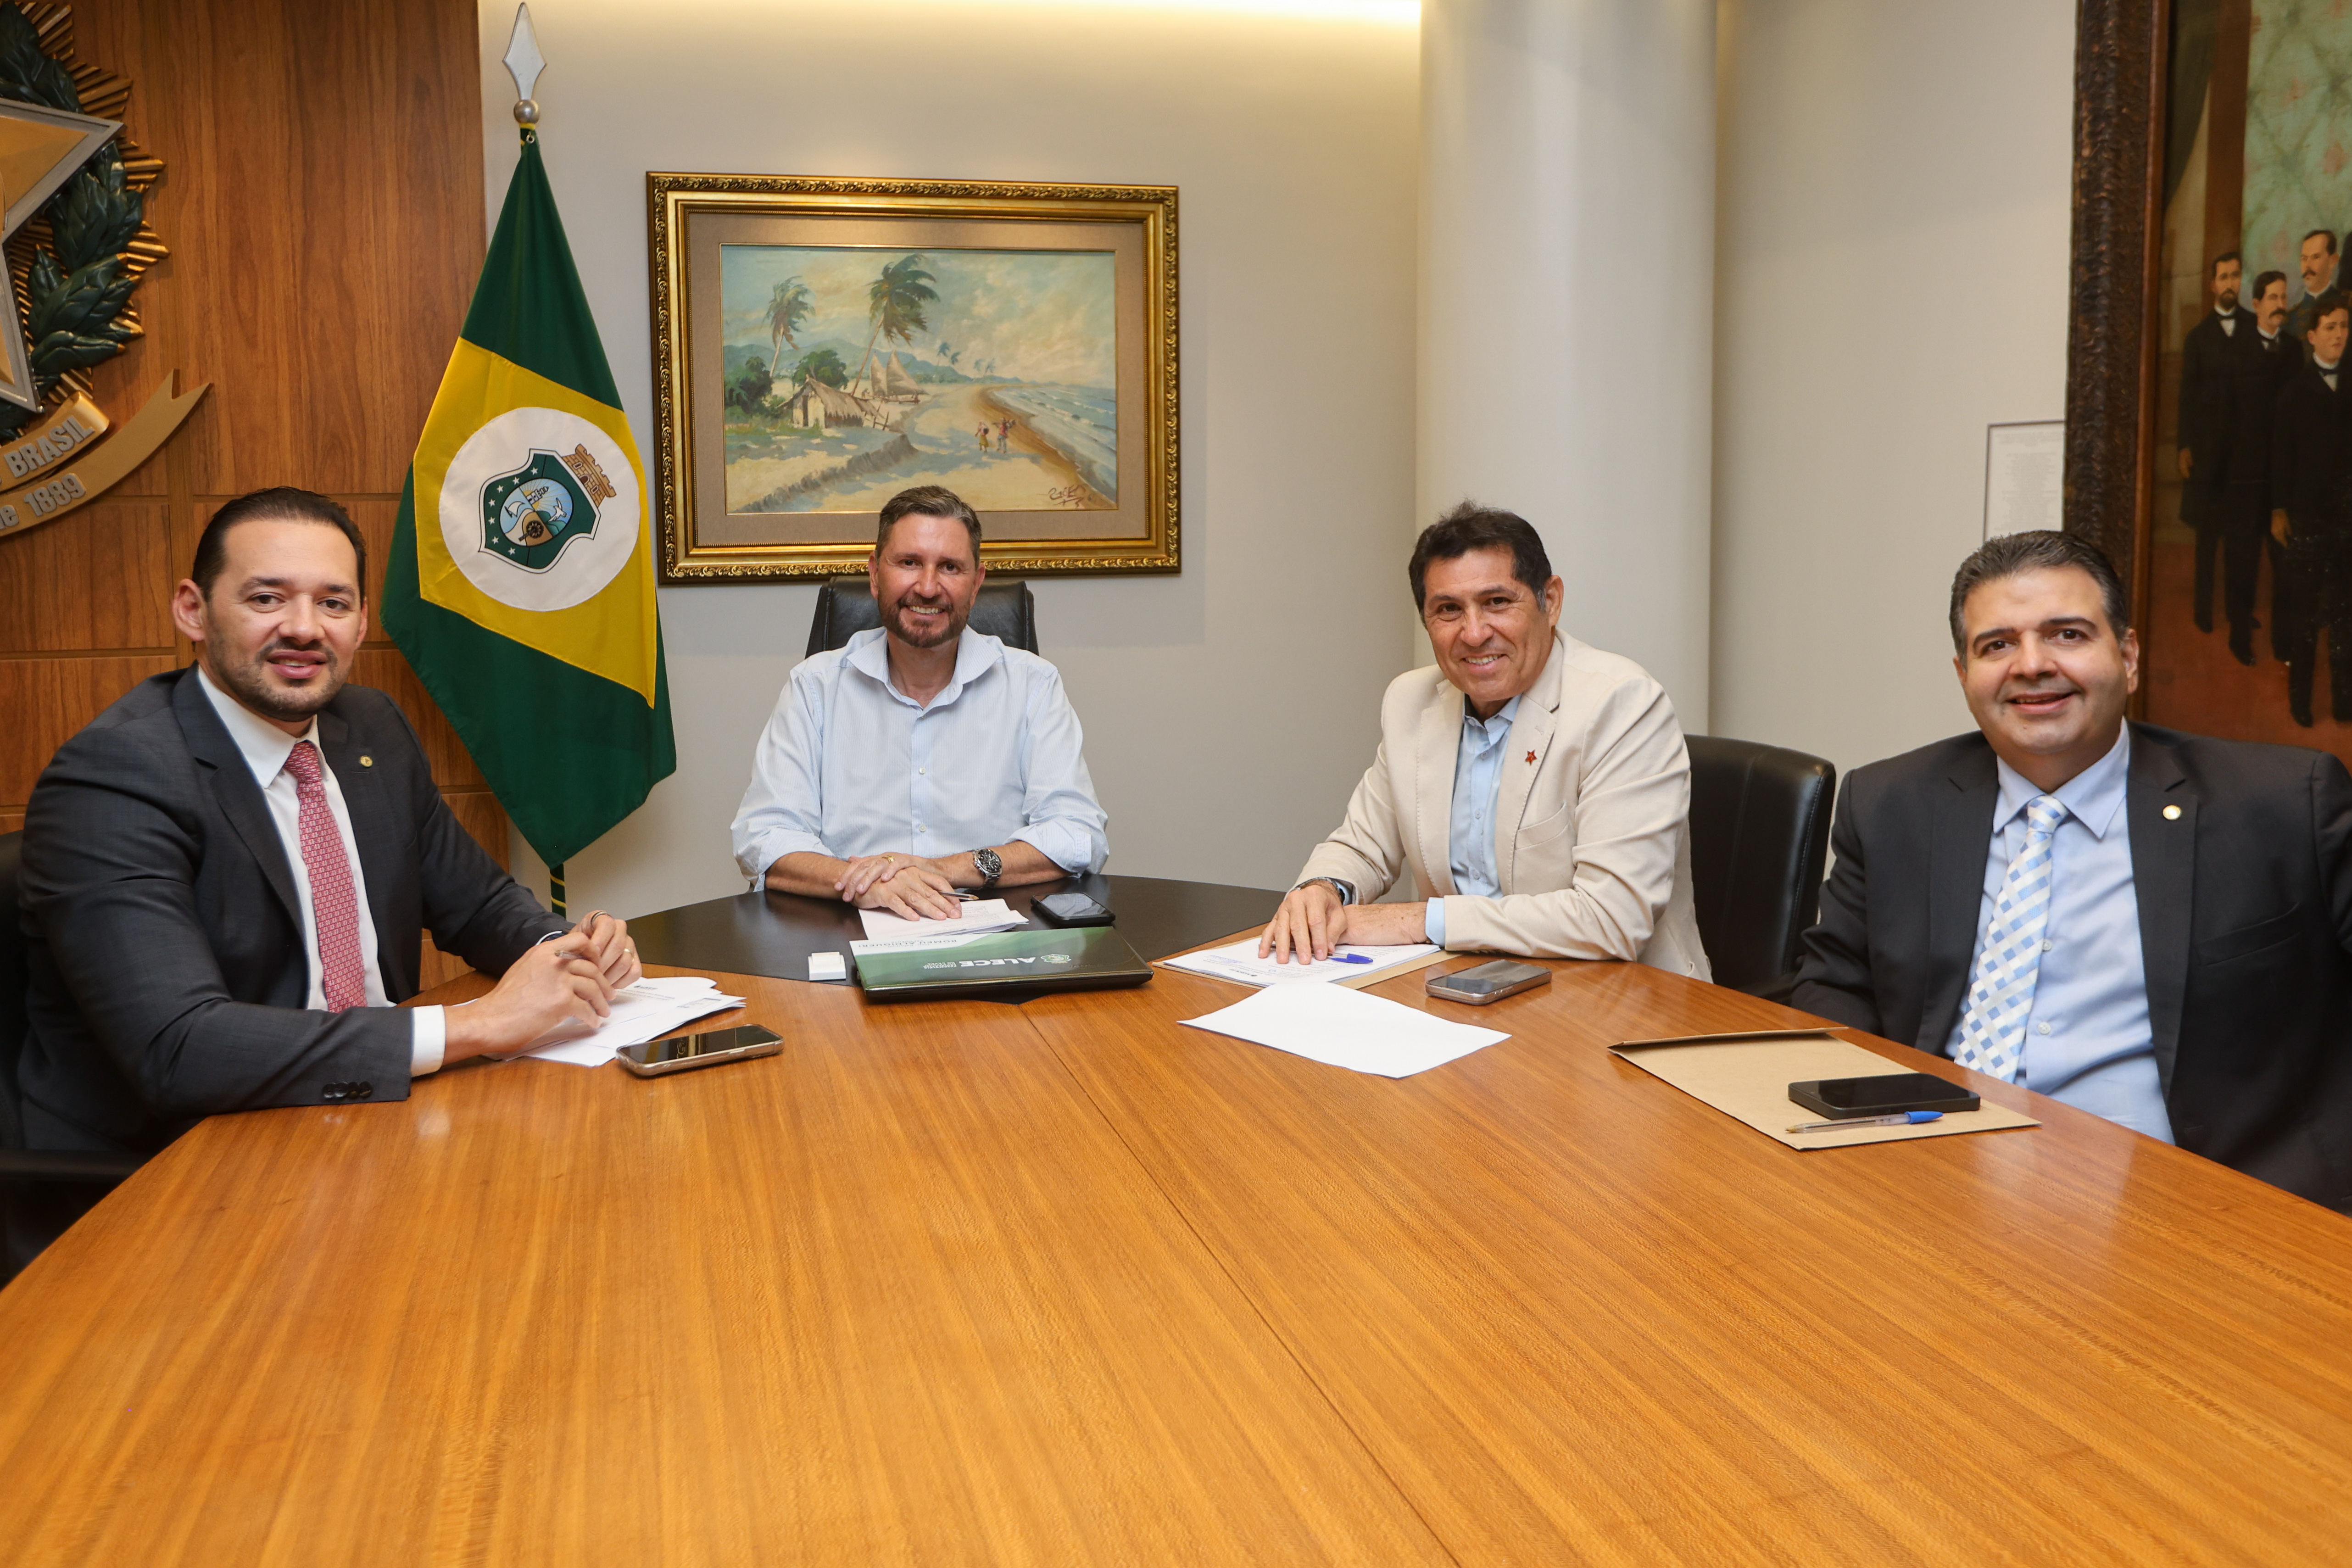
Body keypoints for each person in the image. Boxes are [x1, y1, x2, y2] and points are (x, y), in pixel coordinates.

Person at [12, 489, 635, 1266]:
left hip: (368, 1132)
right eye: (267, 598)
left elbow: (474, 901)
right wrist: (477, 1025)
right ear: (193, 609)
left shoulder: (367, 726)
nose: (304, 628)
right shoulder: (118, 775)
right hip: (174, 1179)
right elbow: (180, 1048)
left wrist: (570, 951)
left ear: (361, 622)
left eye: (332, 602)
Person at [1791, 530, 2352, 1211]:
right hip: (1930, 1181)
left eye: (2066, 634)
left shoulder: (2281, 803)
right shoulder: (1889, 802)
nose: (2031, 665)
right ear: (1962, 674)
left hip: (2190, 1201)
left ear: (2127, 655)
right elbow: (1834, 986)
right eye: (1995, 645)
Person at [1259, 502, 1709, 975]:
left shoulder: (1621, 704)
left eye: (1496, 602)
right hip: (1464, 992)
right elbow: (1361, 845)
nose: (1473, 634)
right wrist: (1321, 892)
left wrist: (1419, 918)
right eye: (1448, 610)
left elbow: (1612, 919)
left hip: (1617, 999)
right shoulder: (1410, 701)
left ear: (1549, 601)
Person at [731, 484, 1108, 920]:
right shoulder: (814, 688)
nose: (928, 587)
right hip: (849, 924)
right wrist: (873, 882)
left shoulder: (1033, 686)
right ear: (875, 574)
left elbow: (1078, 833)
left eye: (950, 567)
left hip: (996, 931)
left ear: (976, 583)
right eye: (909, 563)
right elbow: (764, 836)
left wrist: (944, 869)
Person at [2269, 291, 2352, 724]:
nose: (2340, 334)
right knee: (2304, 615)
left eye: (2344, 326)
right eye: (2332, 327)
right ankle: (2301, 703)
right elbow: (2281, 457)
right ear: (2313, 335)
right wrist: (2279, 510)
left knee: (2346, 616)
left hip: (2349, 522)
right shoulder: (2294, 393)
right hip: (2306, 518)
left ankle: (2345, 701)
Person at [2218, 269, 2300, 665]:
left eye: (2284, 298)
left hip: (2282, 479)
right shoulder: (2237, 352)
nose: (2280, 305)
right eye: (2273, 298)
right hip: (2244, 478)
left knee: (2284, 564)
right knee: (2243, 562)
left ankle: (2284, 644)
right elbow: (2225, 418)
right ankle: (2239, 635)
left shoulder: (2295, 350)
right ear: (2256, 305)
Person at [2176, 252, 2250, 635]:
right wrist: (2184, 447)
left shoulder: (2255, 331)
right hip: (2207, 455)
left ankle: (2241, 610)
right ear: (2212, 285)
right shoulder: (2198, 338)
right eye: (2223, 277)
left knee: (2242, 540)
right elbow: (2187, 397)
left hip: (2245, 456)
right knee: (2207, 540)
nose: (2229, 283)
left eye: (2235, 276)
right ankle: (2203, 611)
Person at [2285, 228, 2343, 350]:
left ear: (2333, 261)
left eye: (2316, 257)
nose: (2308, 266)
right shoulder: (2289, 319)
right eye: (2304, 259)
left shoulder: (2346, 305)